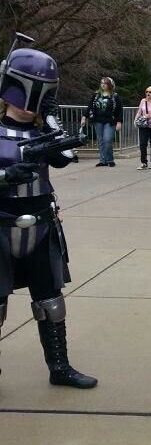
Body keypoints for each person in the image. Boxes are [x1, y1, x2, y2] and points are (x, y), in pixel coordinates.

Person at [0, 45, 97, 388]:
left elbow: (66, 155)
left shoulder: (44, 133)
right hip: (1, 225)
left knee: (51, 301)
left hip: (41, 225)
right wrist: (5, 177)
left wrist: (51, 117)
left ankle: (60, 368)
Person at [82, 76, 122, 167]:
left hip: (110, 121)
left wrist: (119, 122)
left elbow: (119, 110)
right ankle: (102, 160)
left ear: (110, 85)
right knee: (101, 141)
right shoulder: (96, 95)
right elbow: (90, 107)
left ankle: (110, 159)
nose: (103, 85)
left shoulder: (115, 96)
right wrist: (84, 116)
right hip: (98, 120)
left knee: (107, 140)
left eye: (105, 83)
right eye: (102, 83)